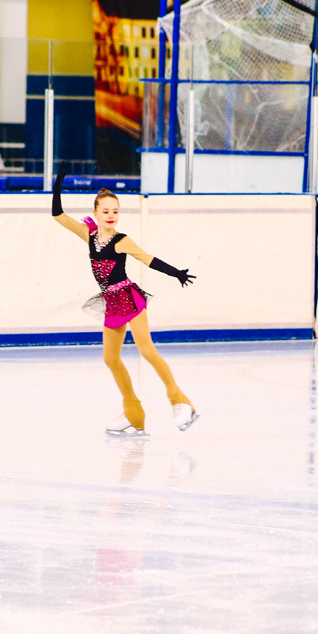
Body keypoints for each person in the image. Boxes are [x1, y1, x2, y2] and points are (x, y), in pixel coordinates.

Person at [51, 166, 199, 436]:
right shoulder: (88, 236)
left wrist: (176, 273)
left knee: (147, 350)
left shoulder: (121, 240)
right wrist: (58, 185)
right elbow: (58, 215)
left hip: (129, 298)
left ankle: (181, 401)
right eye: (106, 211)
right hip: (111, 302)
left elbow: (148, 259)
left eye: (116, 212)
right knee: (110, 358)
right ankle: (133, 412)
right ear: (96, 213)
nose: (111, 216)